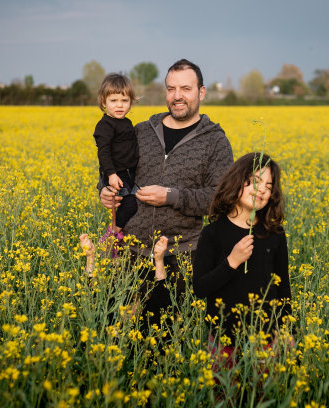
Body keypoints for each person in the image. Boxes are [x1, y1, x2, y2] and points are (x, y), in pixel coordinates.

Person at [99, 59, 233, 329]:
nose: (177, 96)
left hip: (181, 257)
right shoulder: (141, 131)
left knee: (167, 338)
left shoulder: (215, 141)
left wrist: (171, 196)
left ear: (201, 92)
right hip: (130, 253)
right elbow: (112, 167)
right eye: (171, 89)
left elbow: (220, 200)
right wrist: (104, 190)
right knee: (119, 334)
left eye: (186, 88)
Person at [192, 152, 293, 368]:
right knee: (223, 397)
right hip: (224, 339)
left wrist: (286, 330)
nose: (262, 190)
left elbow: (283, 287)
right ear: (237, 181)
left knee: (263, 396)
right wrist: (232, 262)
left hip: (266, 339)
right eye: (255, 182)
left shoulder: (274, 234)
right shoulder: (213, 233)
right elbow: (200, 288)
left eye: (269, 186)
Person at [93, 73, 139, 234]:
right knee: (130, 204)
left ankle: (121, 236)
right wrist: (111, 175)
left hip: (128, 173)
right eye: (114, 101)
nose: (119, 105)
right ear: (103, 102)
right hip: (116, 175)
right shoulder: (105, 125)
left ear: (131, 103)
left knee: (134, 203)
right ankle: (112, 234)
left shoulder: (127, 123)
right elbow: (103, 153)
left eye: (124, 100)